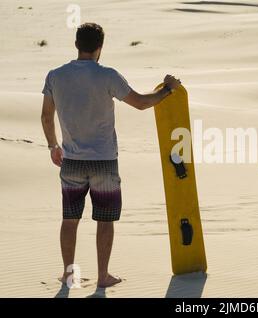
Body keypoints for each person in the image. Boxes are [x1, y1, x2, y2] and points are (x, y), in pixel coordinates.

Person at [40, 22, 181, 288]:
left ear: (76, 45)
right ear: (100, 47)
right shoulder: (107, 75)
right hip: (104, 161)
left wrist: (52, 146)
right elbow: (141, 103)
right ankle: (103, 276)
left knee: (70, 219)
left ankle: (69, 275)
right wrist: (168, 89)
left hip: (71, 160)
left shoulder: (55, 75)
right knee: (105, 220)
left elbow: (46, 116)